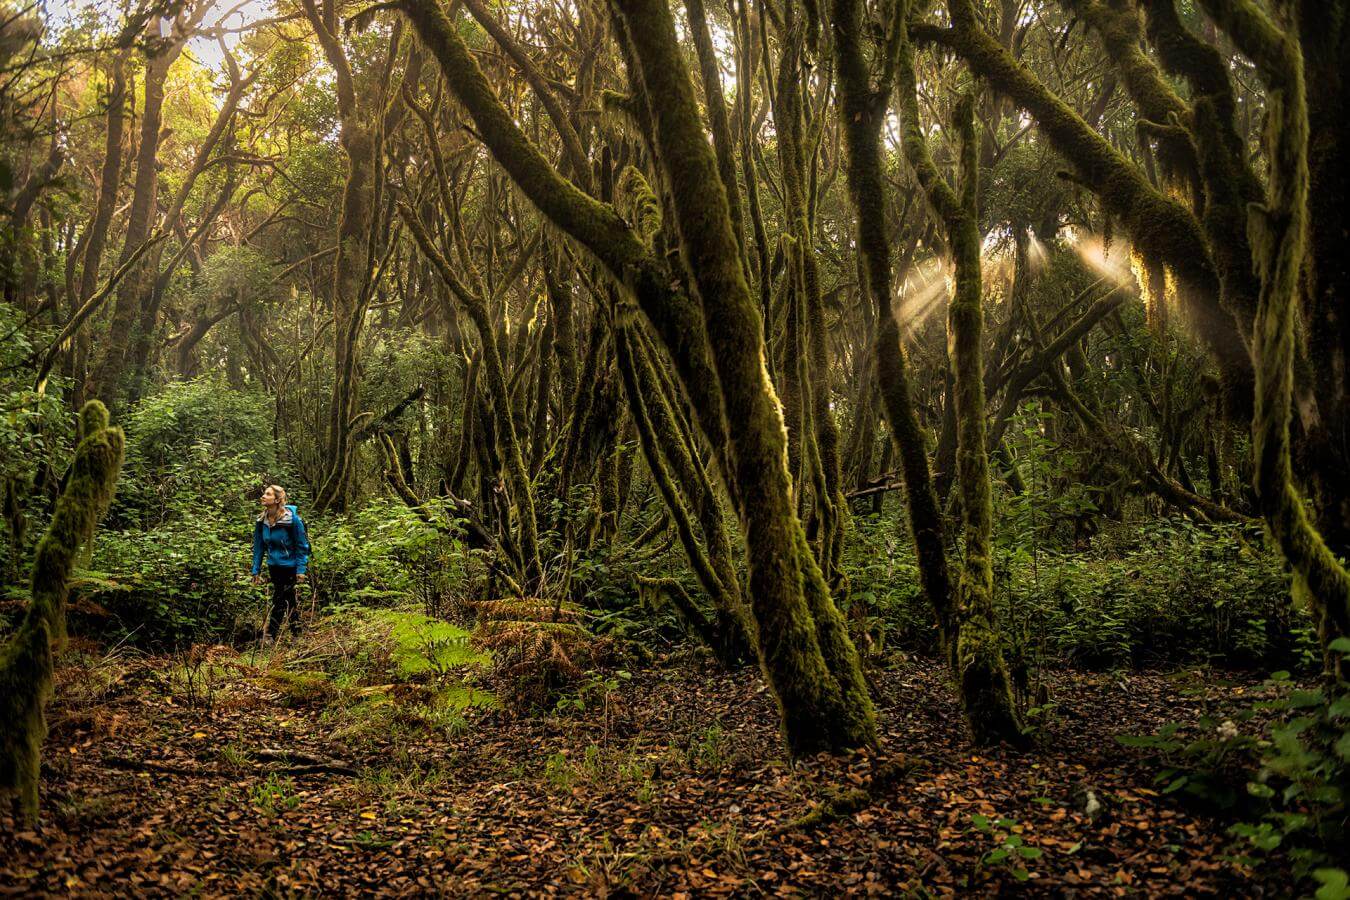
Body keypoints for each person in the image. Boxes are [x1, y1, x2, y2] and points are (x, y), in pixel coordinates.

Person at [251, 484, 311, 638]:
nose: (263, 496)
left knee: (279, 599)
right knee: (288, 600)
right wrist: (255, 570)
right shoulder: (261, 521)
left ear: (277, 500)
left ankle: (271, 634)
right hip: (274, 566)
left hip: (290, 566)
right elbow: (258, 547)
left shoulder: (293, 520)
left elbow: (302, 546)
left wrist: (301, 570)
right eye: (264, 494)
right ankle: (297, 632)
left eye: (268, 494)